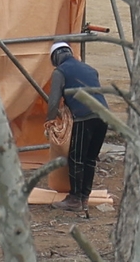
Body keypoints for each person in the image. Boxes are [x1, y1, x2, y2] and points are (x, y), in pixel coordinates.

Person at [46, 42, 109, 212]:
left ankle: (75, 199)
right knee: (89, 159)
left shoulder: (60, 71)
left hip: (84, 117)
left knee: (76, 158)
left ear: (55, 57)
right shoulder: (90, 69)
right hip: (104, 117)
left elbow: (53, 102)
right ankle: (84, 198)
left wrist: (49, 121)